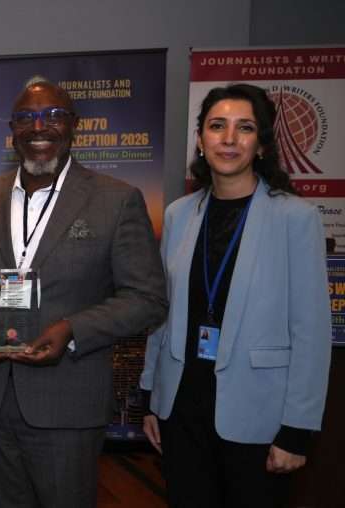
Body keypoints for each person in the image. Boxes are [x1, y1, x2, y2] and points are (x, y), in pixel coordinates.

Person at [0, 80, 167, 507]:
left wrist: (72, 330)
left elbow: (147, 297)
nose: (39, 127)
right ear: (12, 130)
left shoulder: (116, 200)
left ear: (73, 125)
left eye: (52, 116)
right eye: (26, 118)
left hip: (68, 400)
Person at [140, 83, 332, 508]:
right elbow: (162, 312)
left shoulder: (295, 218)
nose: (229, 138)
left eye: (244, 128)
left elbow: (312, 333)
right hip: (181, 409)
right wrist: (150, 397)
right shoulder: (179, 214)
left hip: (259, 417)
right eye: (217, 126)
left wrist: (297, 430)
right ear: (200, 140)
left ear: (261, 144)